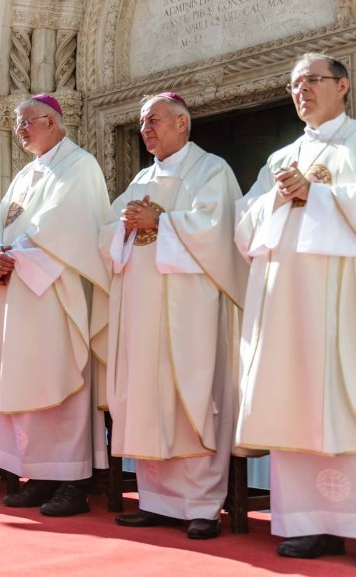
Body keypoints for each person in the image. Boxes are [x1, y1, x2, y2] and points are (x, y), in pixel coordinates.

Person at [235, 54, 356, 572]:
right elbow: (244, 223)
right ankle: (309, 525)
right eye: (294, 84)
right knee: (296, 402)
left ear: (342, 86)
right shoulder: (280, 157)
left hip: (350, 304)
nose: (301, 91)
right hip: (289, 307)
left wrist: (318, 194)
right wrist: (278, 199)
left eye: (312, 81)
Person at [102, 92, 247, 538]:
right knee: (146, 397)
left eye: (154, 121)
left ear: (183, 123)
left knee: (192, 399)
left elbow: (219, 231)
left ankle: (202, 506)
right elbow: (107, 233)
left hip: (191, 309)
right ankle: (157, 501)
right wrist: (124, 228)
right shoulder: (141, 178)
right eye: (143, 123)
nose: (146, 129)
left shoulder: (212, 169)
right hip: (142, 308)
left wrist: (160, 221)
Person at [0, 95, 111, 515]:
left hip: (54, 296)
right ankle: (38, 474)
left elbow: (68, 223)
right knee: (25, 380)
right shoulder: (23, 176)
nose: (20, 130)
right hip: (16, 294)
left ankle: (72, 481)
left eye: (27, 123)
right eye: (17, 124)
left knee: (59, 380)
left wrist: (12, 254)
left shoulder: (80, 165)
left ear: (52, 122)